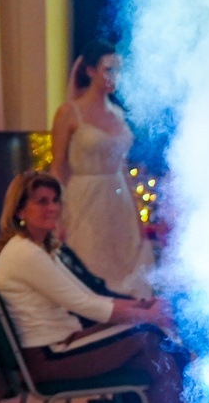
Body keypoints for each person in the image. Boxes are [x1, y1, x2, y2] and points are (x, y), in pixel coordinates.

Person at [0, 171, 199, 403]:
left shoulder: (39, 249)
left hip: (63, 345)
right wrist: (148, 316)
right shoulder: (25, 253)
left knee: (160, 357)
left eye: (55, 200)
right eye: (41, 201)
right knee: (151, 340)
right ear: (19, 210)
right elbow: (85, 305)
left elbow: (88, 296)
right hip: (49, 356)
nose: (52, 208)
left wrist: (143, 308)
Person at [49, 42, 156, 298]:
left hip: (118, 198)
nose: (114, 77)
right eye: (108, 70)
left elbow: (124, 168)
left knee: (126, 262)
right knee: (89, 261)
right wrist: (57, 213)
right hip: (85, 196)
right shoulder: (69, 112)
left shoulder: (118, 114)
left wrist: (138, 216)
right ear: (90, 70)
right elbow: (58, 165)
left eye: (118, 70)